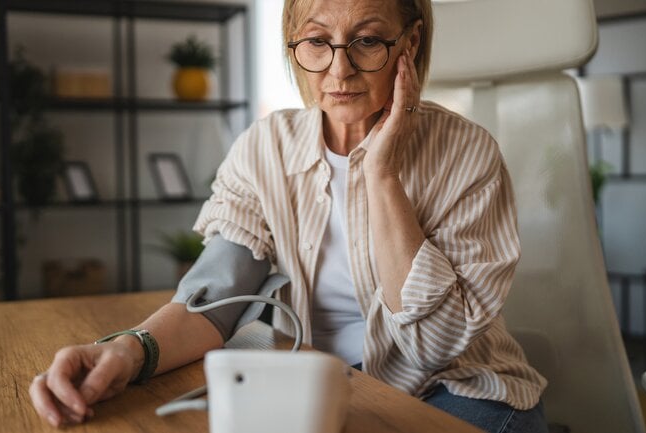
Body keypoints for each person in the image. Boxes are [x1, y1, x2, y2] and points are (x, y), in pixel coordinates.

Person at [29, 0, 549, 432]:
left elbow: (433, 347)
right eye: (318, 41)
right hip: (330, 388)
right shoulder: (266, 147)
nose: (339, 70)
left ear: (408, 44)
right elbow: (216, 299)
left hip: (462, 392)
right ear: (294, 46)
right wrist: (128, 352)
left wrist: (382, 174)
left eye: (367, 41)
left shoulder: (468, 154)